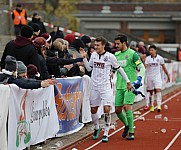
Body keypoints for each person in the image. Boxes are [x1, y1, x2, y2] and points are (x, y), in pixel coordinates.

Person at [79, 36, 132, 142]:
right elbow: (89, 68)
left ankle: (106, 132)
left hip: (106, 86)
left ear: (103, 45)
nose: (96, 47)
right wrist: (84, 58)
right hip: (94, 86)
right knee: (93, 109)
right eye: (95, 45)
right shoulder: (93, 55)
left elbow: (119, 69)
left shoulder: (110, 57)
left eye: (98, 45)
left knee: (106, 109)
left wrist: (128, 81)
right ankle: (96, 128)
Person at [114, 34, 145, 140]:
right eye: (115, 43)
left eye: (118, 43)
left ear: (124, 43)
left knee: (127, 107)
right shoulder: (116, 55)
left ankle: (131, 132)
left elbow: (142, 67)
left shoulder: (133, 54)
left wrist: (139, 79)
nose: (116, 45)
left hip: (130, 86)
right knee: (117, 110)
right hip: (119, 86)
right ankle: (127, 125)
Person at [144, 45, 170, 112]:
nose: (151, 52)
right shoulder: (148, 58)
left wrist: (168, 76)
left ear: (155, 50)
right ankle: (152, 105)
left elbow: (164, 67)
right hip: (150, 76)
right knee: (151, 92)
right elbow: (145, 66)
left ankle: (159, 105)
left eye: (152, 50)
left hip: (157, 76)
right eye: (150, 50)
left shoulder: (160, 58)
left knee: (158, 90)